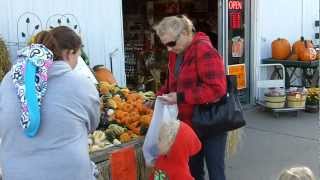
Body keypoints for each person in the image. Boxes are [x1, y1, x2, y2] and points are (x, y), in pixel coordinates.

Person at [0, 26, 100, 180]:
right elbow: (93, 125)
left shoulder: (8, 80)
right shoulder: (81, 85)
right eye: (77, 57)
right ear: (68, 53)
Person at [153, 15, 227, 180]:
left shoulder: (204, 50)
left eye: (171, 43)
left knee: (216, 172)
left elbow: (217, 90)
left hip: (211, 122)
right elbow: (171, 84)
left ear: (186, 32)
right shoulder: (175, 54)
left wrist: (180, 97)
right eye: (165, 45)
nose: (169, 49)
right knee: (193, 171)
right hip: (189, 123)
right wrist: (157, 98)